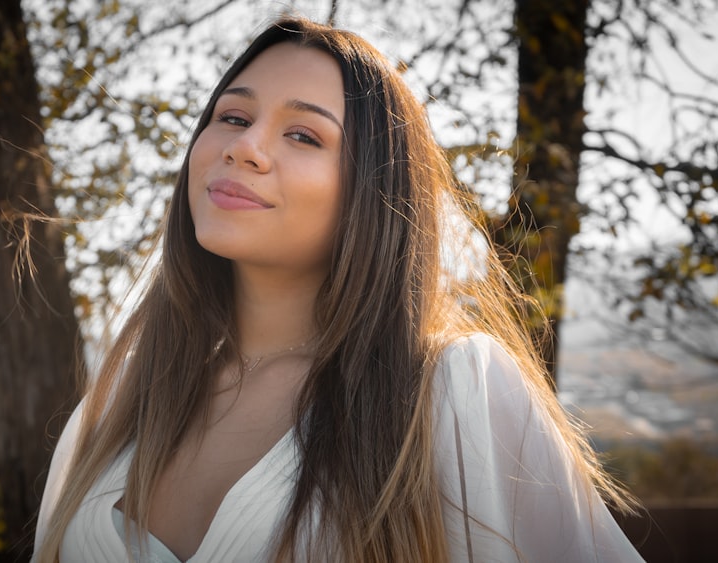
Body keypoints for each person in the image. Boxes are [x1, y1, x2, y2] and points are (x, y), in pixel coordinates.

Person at [32, 16, 644, 563]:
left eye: (304, 135)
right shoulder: (119, 402)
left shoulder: (449, 395)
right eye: (233, 117)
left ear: (374, 195)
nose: (244, 147)